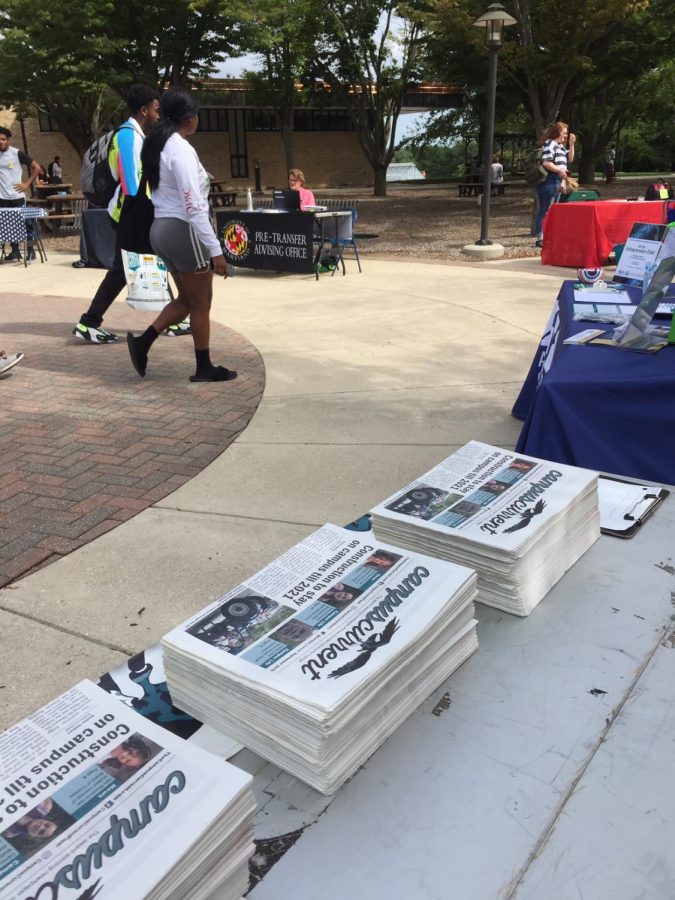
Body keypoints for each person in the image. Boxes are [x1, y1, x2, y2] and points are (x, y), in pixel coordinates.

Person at [127, 87, 238, 383]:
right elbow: (194, 206)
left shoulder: (160, 145)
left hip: (161, 229)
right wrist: (216, 251)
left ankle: (142, 343)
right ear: (189, 118)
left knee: (187, 301)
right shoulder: (181, 149)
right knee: (201, 304)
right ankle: (204, 368)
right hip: (183, 230)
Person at [72, 84, 161, 343]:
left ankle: (90, 322)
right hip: (130, 214)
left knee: (149, 260)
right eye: (156, 110)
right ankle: (89, 322)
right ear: (144, 110)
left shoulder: (135, 135)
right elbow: (133, 185)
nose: (158, 115)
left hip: (134, 213)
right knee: (127, 268)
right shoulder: (128, 136)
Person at [0, 125, 42, 261]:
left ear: (8, 140)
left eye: (3, 139)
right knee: (8, 225)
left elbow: (37, 167)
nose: (0, 141)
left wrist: (27, 184)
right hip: (2, 197)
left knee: (26, 224)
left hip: (17, 196)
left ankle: (31, 250)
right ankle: (15, 251)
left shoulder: (16, 153)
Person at [534, 121, 576, 248]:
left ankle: (548, 235)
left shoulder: (560, 147)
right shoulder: (550, 143)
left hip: (558, 180)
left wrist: (571, 144)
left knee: (552, 210)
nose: (565, 136)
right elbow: (546, 162)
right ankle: (540, 237)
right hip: (550, 180)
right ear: (557, 132)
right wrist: (559, 170)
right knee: (545, 209)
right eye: (564, 133)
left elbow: (570, 159)